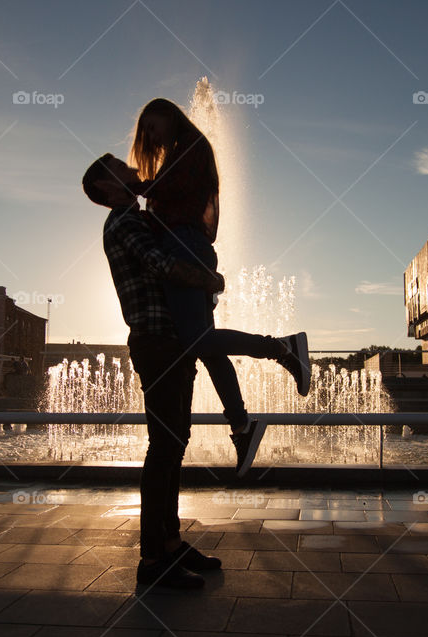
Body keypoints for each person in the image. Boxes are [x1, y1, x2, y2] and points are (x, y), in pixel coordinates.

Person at [128, 98, 310, 473]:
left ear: (169, 115)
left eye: (152, 127)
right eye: (147, 132)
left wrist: (142, 186)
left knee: (196, 342)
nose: (152, 137)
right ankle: (242, 425)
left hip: (184, 248)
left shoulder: (190, 147)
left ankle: (282, 348)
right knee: (208, 346)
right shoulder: (181, 152)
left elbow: (175, 190)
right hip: (186, 247)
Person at [83, 154, 226, 589]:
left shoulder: (137, 216)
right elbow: (159, 264)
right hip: (156, 341)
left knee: (174, 444)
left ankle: (171, 543)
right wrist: (208, 279)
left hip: (171, 341)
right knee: (164, 447)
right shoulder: (123, 222)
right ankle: (152, 560)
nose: (131, 168)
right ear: (106, 187)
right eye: (119, 168)